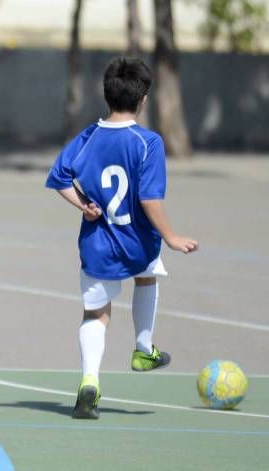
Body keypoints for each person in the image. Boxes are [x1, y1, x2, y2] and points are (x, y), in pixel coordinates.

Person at [45, 56, 198, 419]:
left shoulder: (87, 137)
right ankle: (143, 347)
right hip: (138, 242)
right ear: (143, 99)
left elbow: (58, 179)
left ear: (106, 96)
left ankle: (89, 382)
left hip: (97, 244)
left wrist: (83, 204)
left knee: (96, 314)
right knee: (148, 273)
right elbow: (149, 198)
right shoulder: (148, 143)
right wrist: (171, 236)